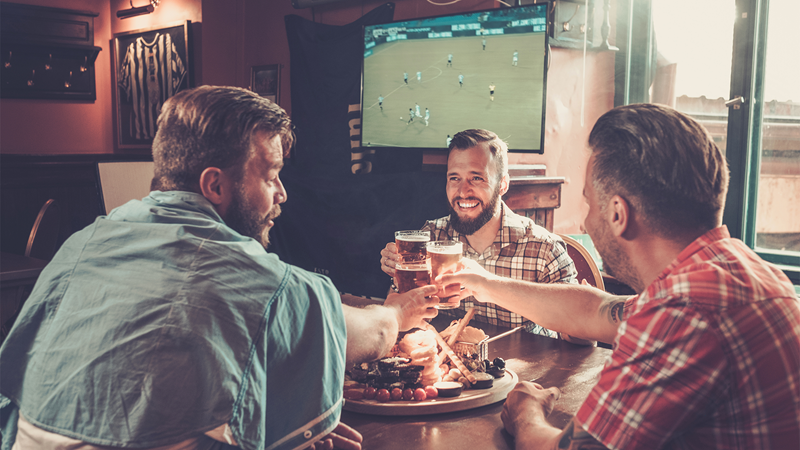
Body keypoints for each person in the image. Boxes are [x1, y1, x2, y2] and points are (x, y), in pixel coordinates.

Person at [0, 86, 440, 450]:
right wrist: (400, 313)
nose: (282, 194)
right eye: (271, 176)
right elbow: (371, 333)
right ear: (215, 185)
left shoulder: (83, 242)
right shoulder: (254, 279)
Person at [441, 104, 800, 449]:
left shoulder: (683, 314)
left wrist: (525, 413)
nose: (585, 222)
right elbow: (594, 311)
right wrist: (483, 283)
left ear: (618, 214)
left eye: (588, 204)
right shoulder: (737, 272)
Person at [380, 129, 581, 339]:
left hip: (528, 370)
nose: (463, 191)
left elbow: (580, 334)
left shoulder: (544, 249)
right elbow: (398, 318)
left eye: (476, 178)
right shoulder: (432, 236)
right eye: (454, 178)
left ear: (502, 185)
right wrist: (399, 272)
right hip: (450, 367)